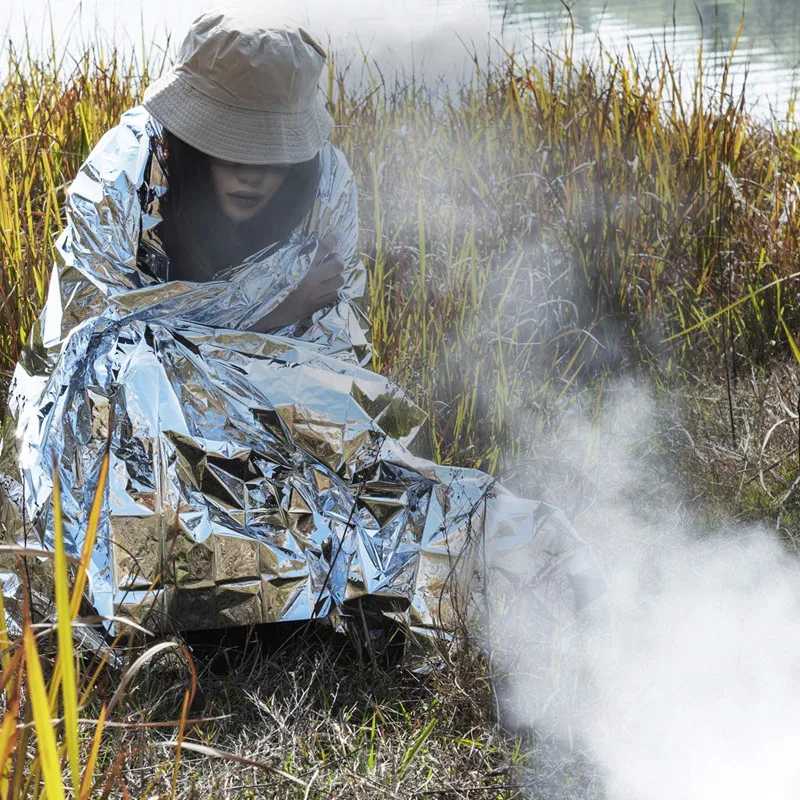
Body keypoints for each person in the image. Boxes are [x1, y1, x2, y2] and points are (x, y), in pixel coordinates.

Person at [0, 7, 603, 660]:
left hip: (260, 401)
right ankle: (161, 605)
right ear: (190, 134)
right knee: (131, 370)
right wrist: (269, 303)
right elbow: (87, 343)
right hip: (108, 410)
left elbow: (330, 365)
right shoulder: (125, 165)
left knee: (377, 475)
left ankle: (303, 588)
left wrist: (253, 366)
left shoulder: (328, 182)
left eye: (272, 150)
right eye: (231, 144)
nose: (254, 170)